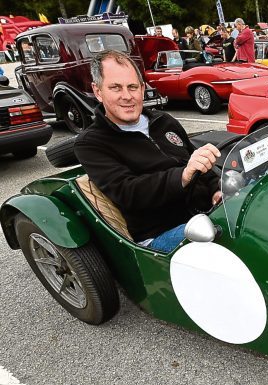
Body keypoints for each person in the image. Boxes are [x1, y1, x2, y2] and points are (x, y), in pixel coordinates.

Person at [74, 51, 221, 254]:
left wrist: (216, 189)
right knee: (228, 239)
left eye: (133, 87)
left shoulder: (164, 121)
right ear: (98, 92)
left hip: (206, 212)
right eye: (116, 88)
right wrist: (183, 175)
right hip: (160, 232)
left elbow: (198, 162)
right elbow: (128, 192)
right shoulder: (91, 143)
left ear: (142, 89)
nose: (127, 96)